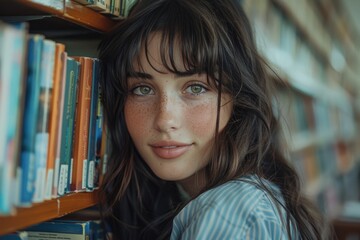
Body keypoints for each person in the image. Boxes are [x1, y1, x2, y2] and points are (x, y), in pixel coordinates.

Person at [98, 0, 330, 239]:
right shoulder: (238, 198)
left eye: (196, 88)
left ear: (238, 98)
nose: (165, 120)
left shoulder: (232, 214)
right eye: (142, 89)